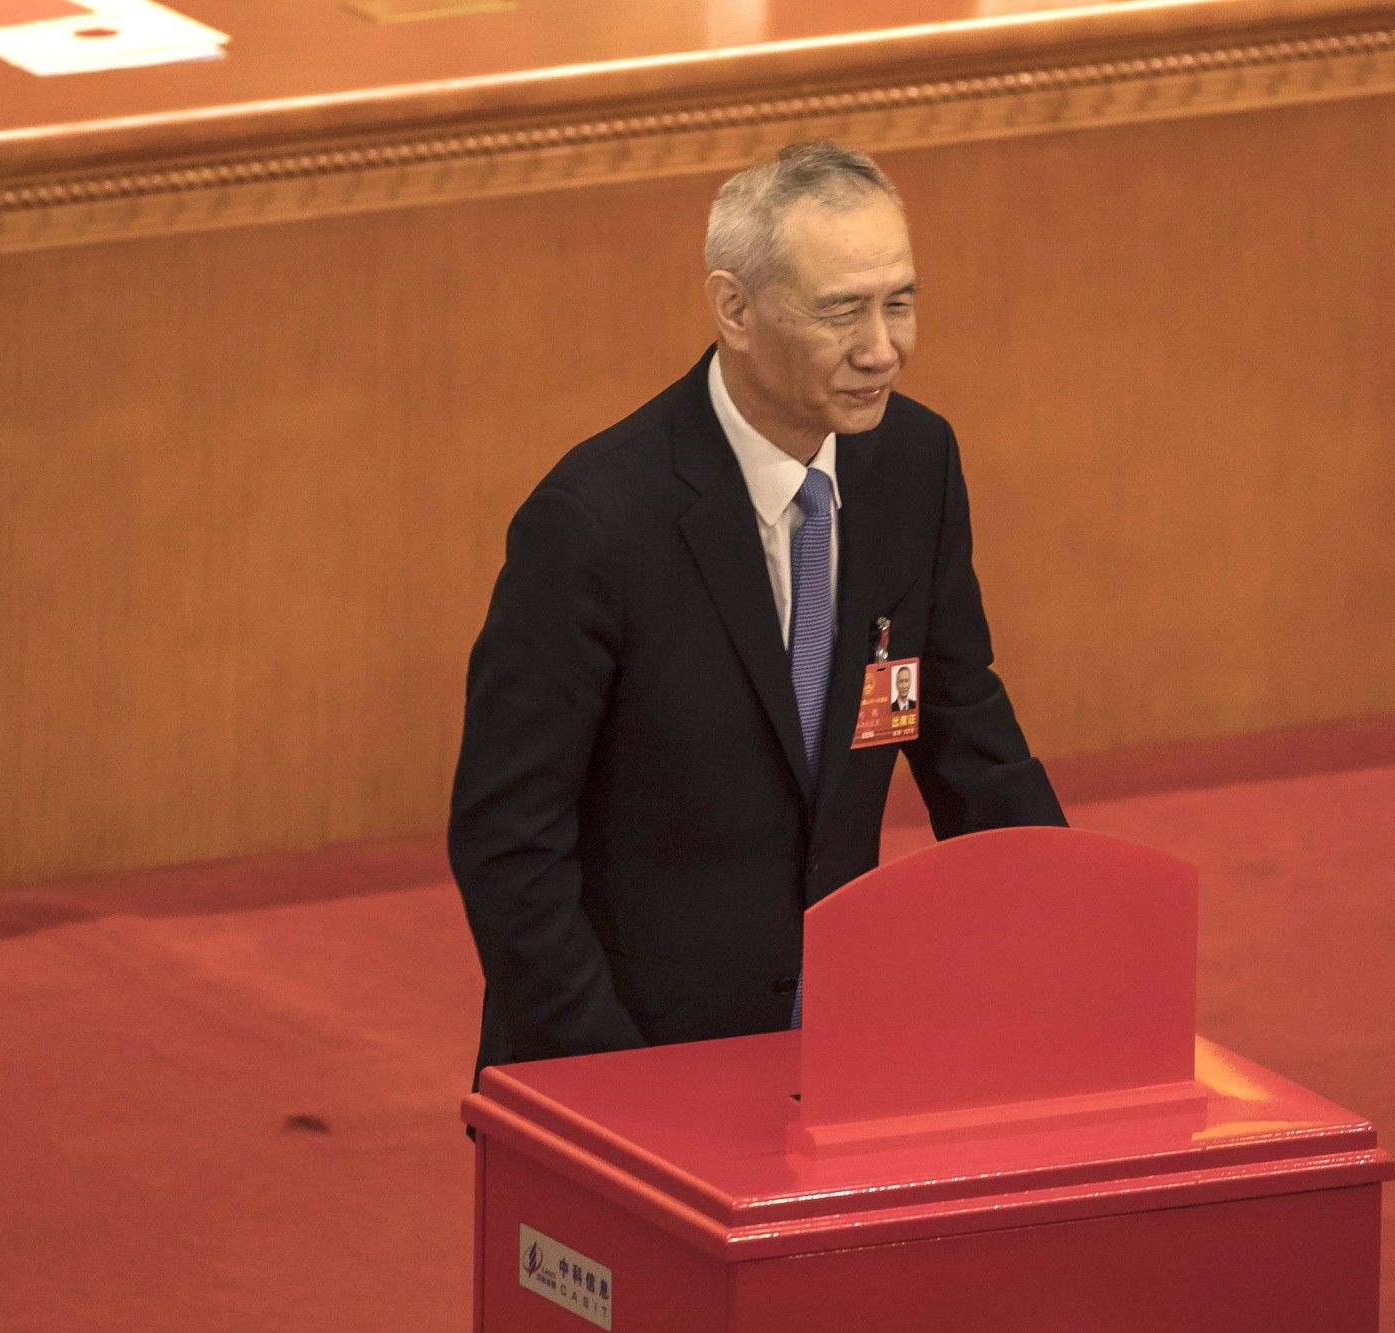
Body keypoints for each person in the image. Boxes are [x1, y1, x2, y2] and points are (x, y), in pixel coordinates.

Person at [448, 141, 1064, 1080]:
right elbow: (509, 838)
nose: (881, 349)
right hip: (625, 1049)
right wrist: (617, 1081)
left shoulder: (912, 464)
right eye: (840, 311)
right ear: (734, 307)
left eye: (899, 302)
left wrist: (1077, 946)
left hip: (830, 1046)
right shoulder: (595, 524)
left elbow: (961, 726)